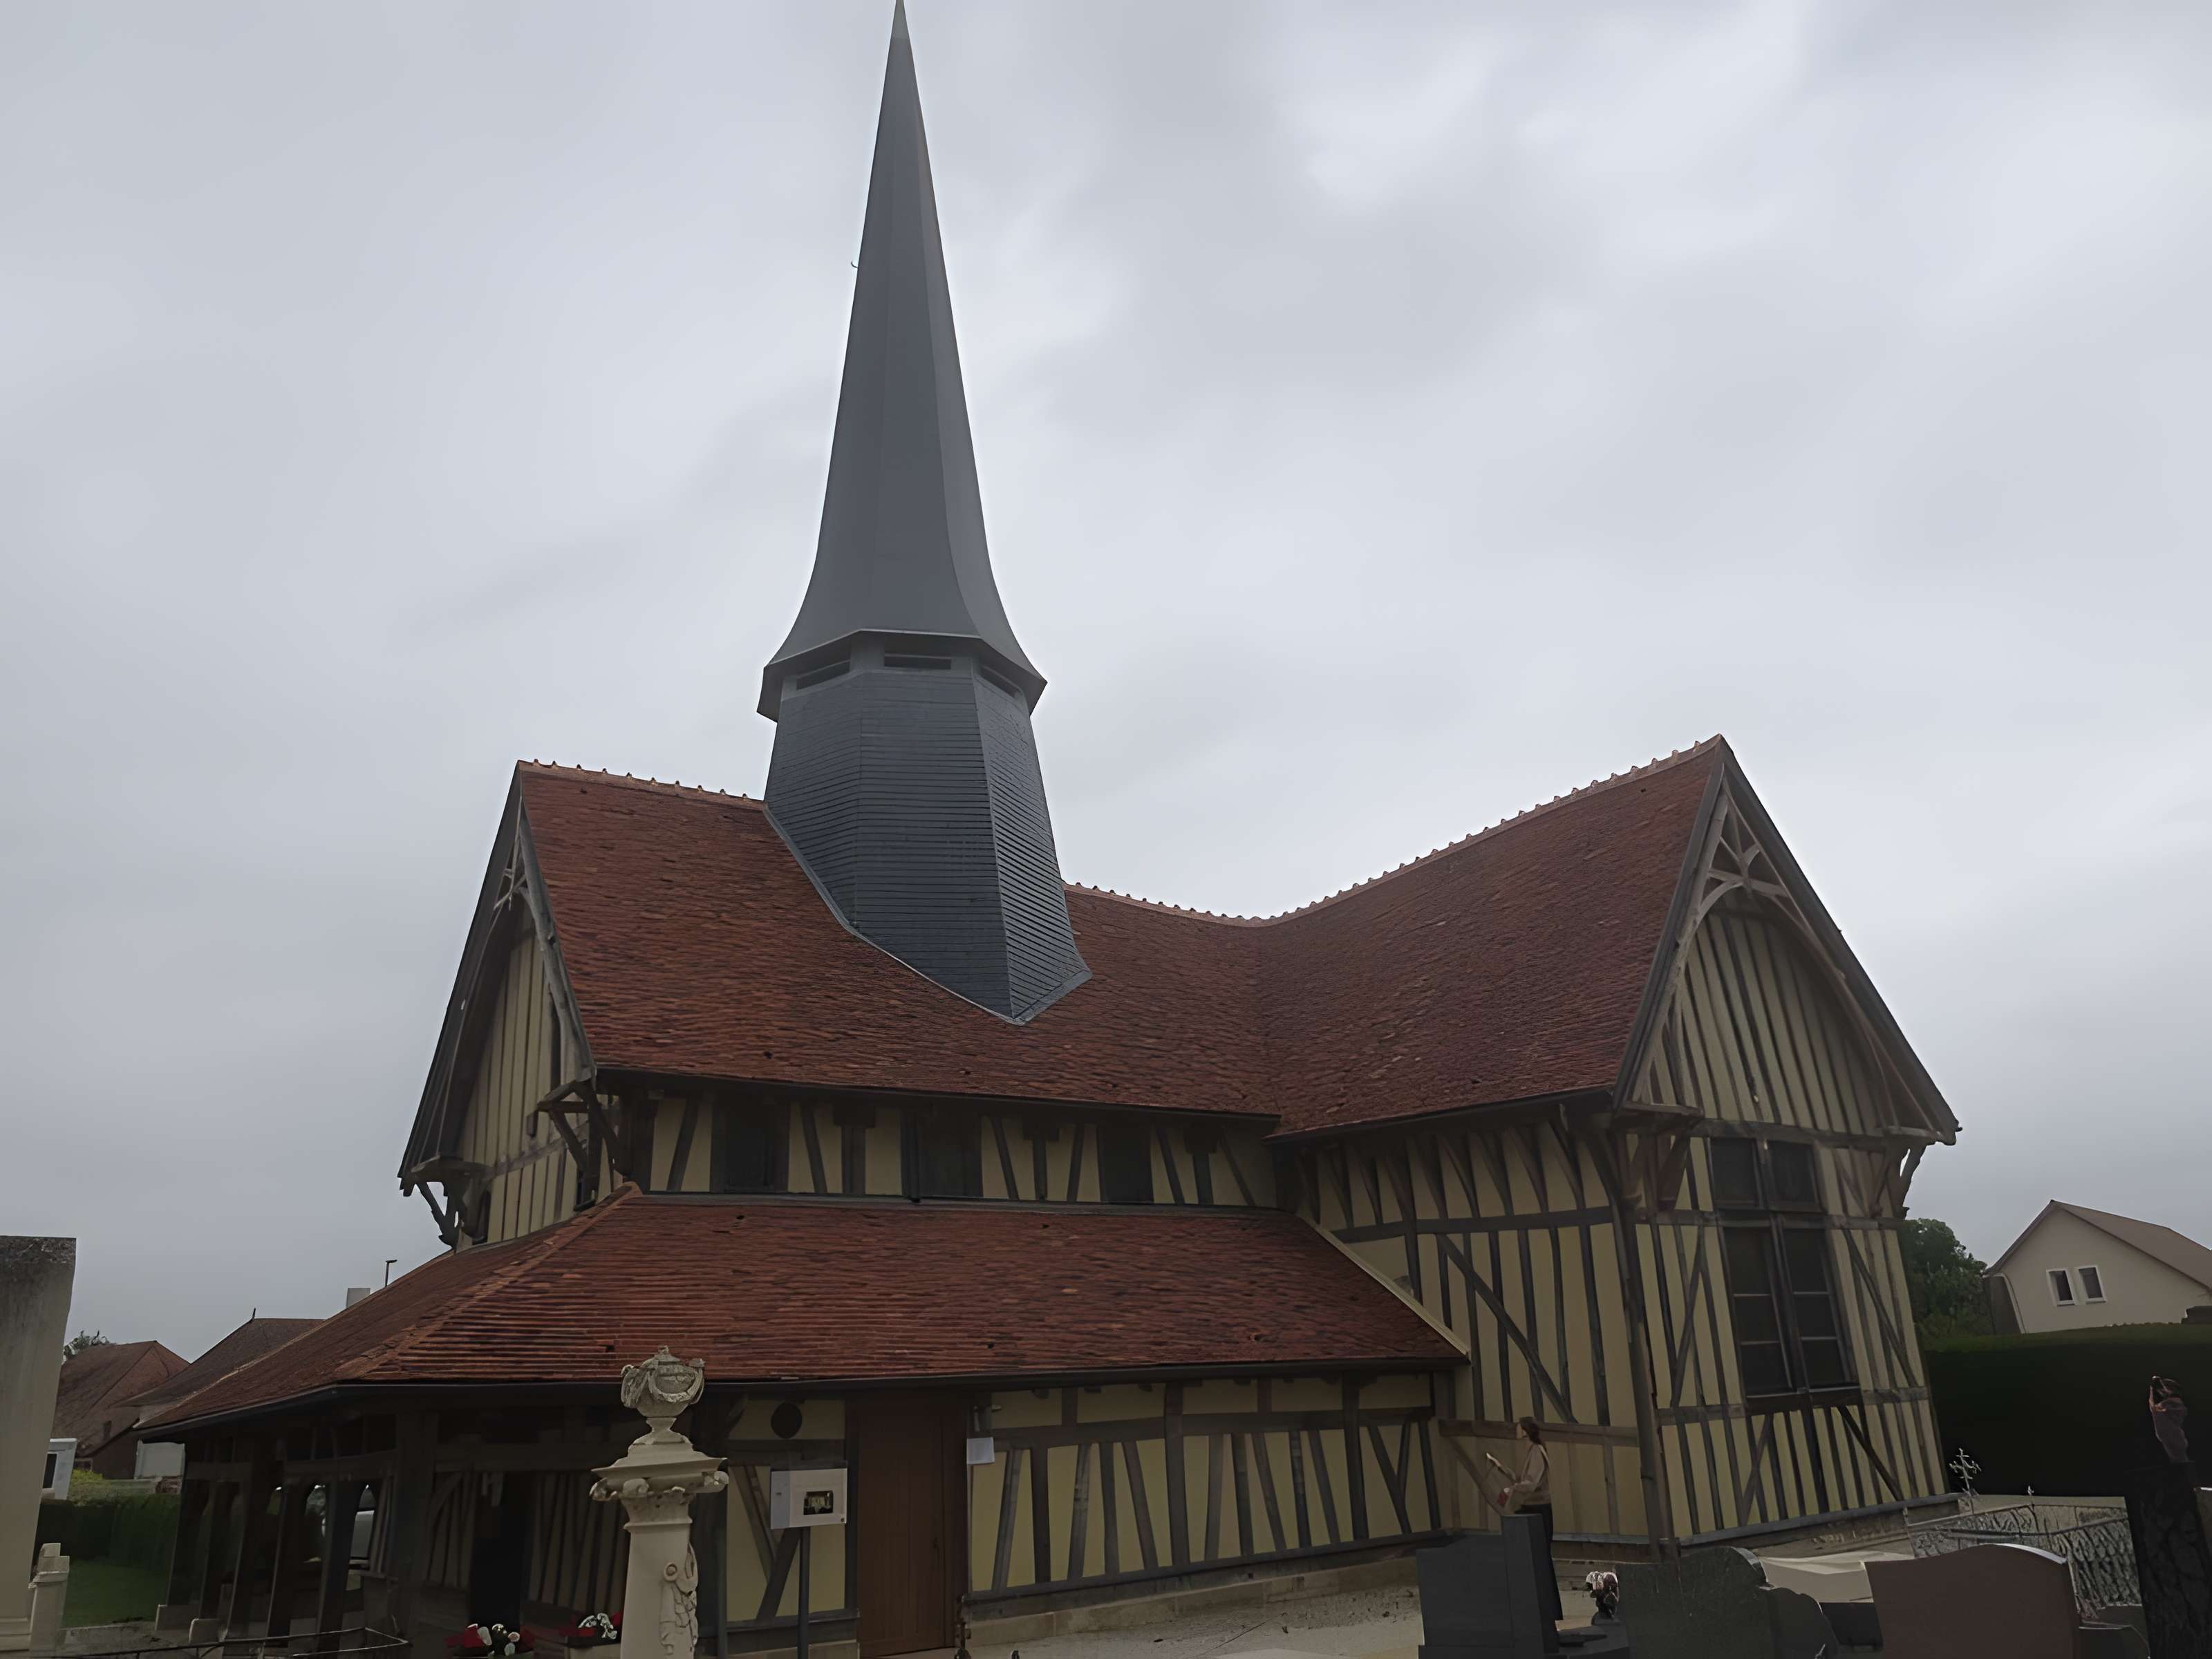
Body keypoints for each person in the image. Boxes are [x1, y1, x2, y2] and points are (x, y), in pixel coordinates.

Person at [1484, 1417, 1563, 1626]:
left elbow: (1531, 1483)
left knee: (1540, 1559)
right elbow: (1522, 1479)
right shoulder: (1531, 1452)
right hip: (1531, 1508)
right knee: (1532, 1558)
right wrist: (1501, 1468)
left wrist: (1512, 1489)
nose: (1516, 1430)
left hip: (1539, 1509)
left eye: (1519, 1428)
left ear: (1526, 1431)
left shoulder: (1537, 1451)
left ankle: (1547, 1609)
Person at [2150, 1376, 2191, 1468]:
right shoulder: (2166, 1404)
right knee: (2177, 1462)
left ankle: (2189, 1478)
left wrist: (2154, 1387)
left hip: (2175, 1436)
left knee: (2181, 1462)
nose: (2161, 1391)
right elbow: (2154, 1408)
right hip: (2170, 1436)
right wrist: (2152, 1389)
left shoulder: (2175, 1403)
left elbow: (2157, 1409)